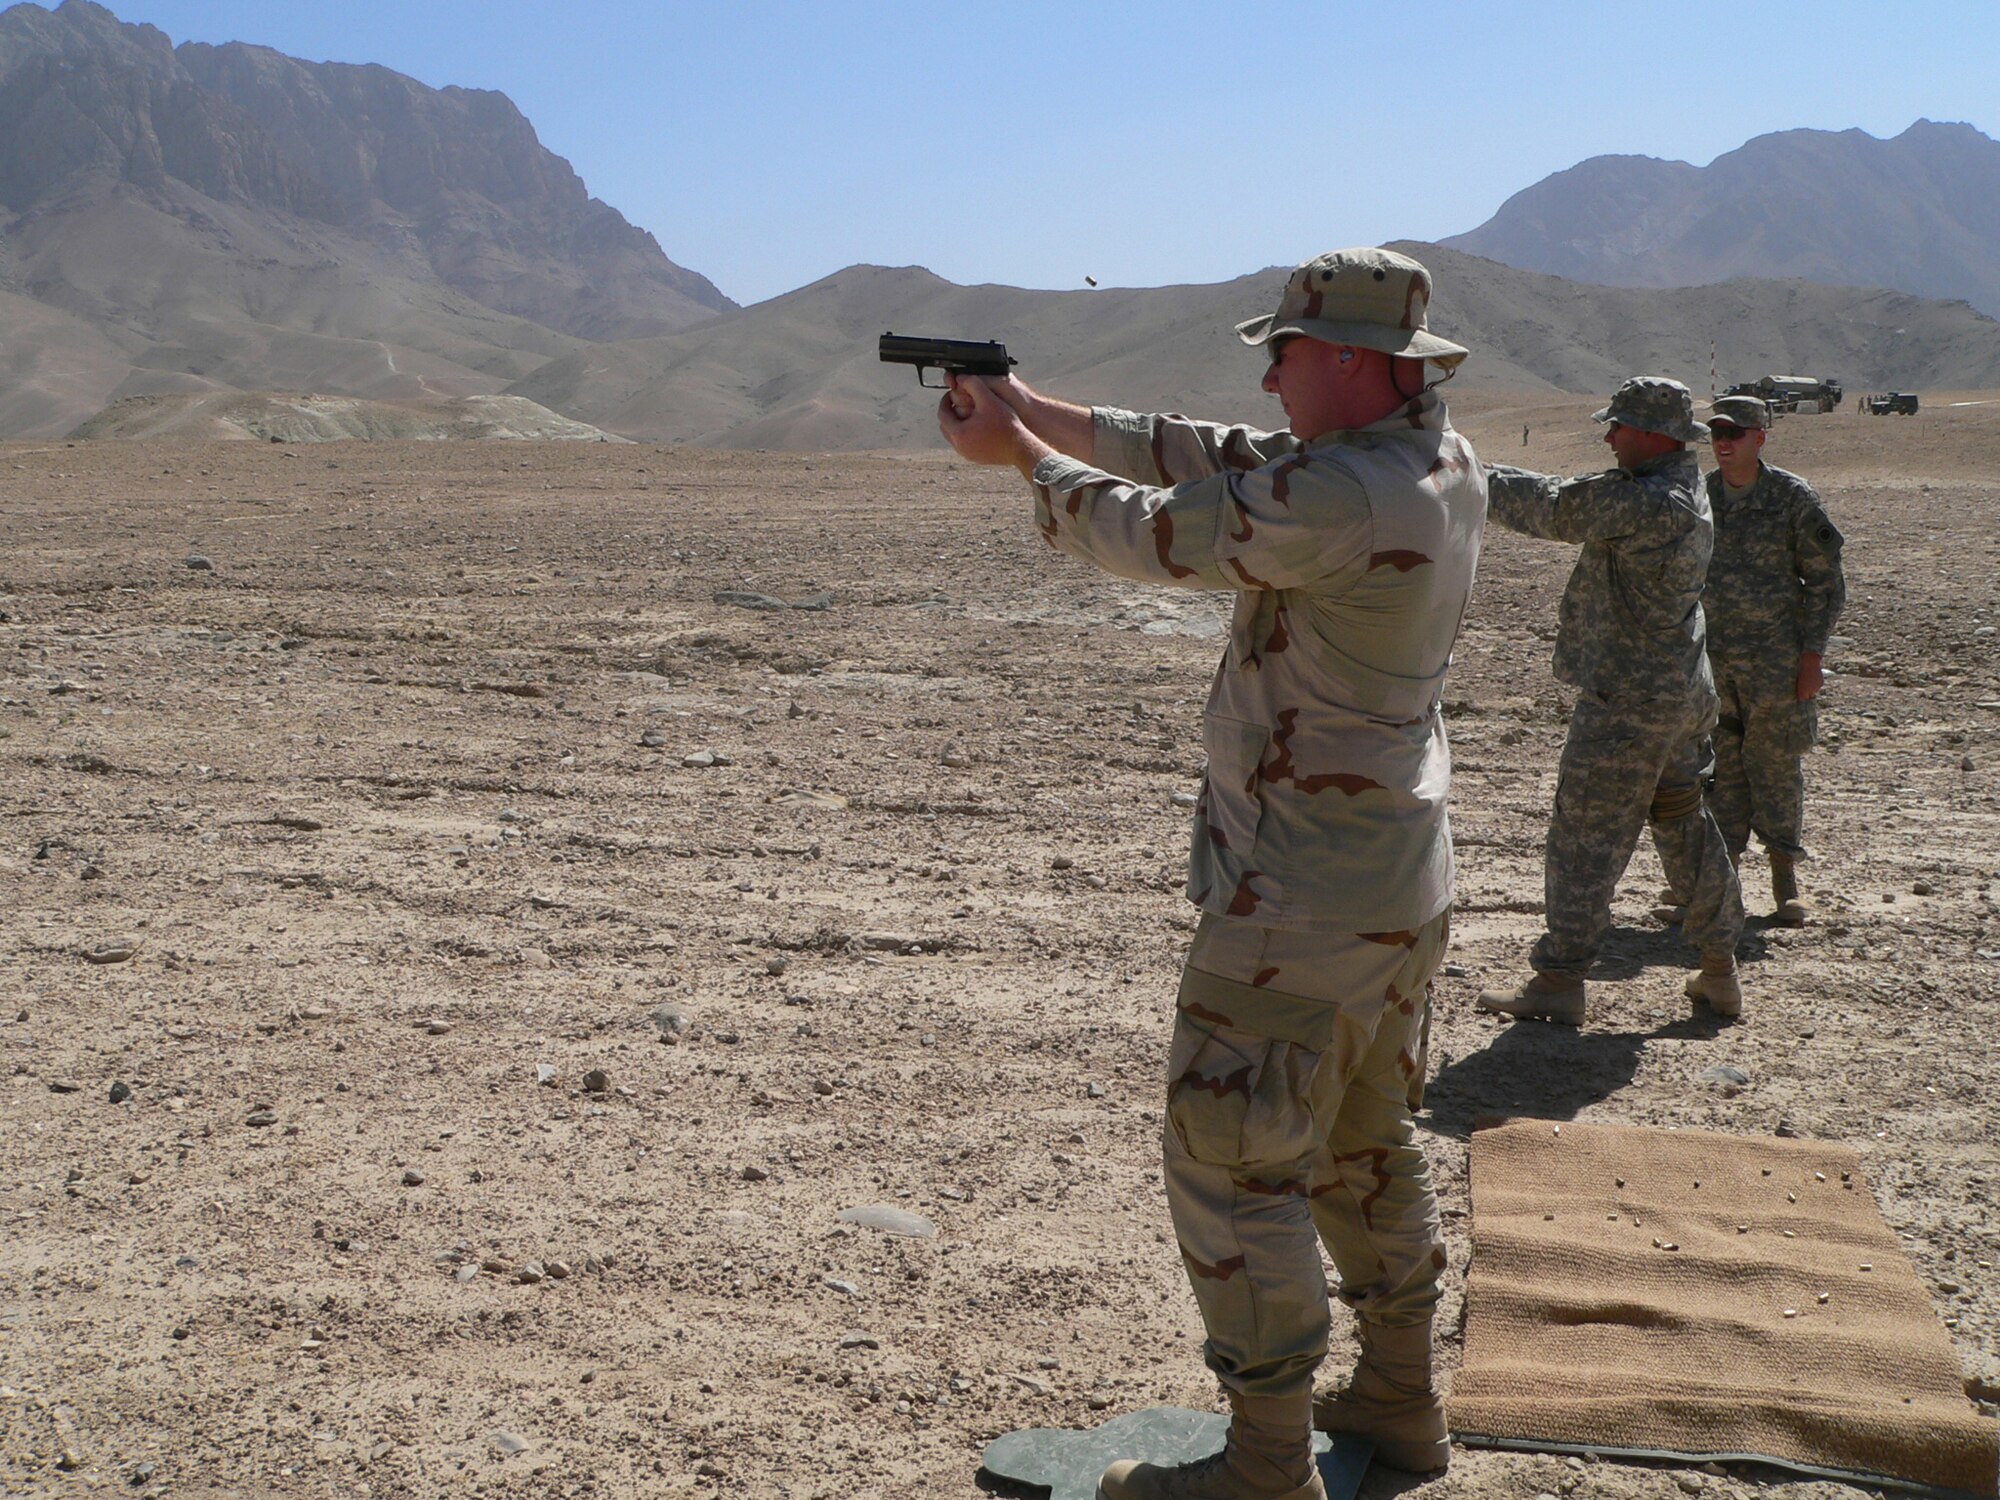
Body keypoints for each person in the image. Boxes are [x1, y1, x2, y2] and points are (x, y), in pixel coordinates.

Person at [935, 248, 1486, 1500]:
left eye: (1284, 348)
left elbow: (1149, 529)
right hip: (1391, 886)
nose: (1269, 367)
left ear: (1347, 360)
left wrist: (1017, 458)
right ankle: (1400, 1404)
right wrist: (1033, 404)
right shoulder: (1433, 462)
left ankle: (1263, 1468)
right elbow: (1209, 452)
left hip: (1296, 900)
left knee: (1235, 1162)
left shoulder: (1339, 497)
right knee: (1361, 1142)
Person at [1475, 377, 1746, 1026]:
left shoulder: (1650, 501)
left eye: (1618, 425)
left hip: (1629, 704)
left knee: (1585, 838)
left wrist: (1457, 471)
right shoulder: (1684, 491)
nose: (1608, 435)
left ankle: (1559, 981)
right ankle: (1719, 971)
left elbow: (1551, 507)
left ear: (1653, 434)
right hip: (1679, 697)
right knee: (1684, 826)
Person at [1686, 394, 1845, 923]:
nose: (1724, 442)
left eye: (1736, 432)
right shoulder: (1702, 496)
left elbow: (1825, 584)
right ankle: (1721, 885)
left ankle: (1785, 882)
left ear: (1761, 438)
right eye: (1717, 433)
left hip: (1776, 666)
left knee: (1775, 767)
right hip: (1714, 663)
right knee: (1721, 772)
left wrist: (1812, 657)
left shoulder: (1792, 498)